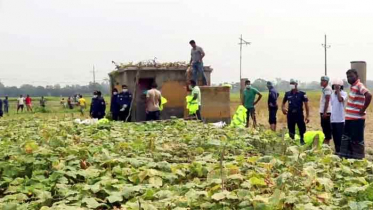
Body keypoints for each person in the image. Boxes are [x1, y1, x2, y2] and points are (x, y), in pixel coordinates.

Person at [339, 69, 372, 159]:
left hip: (357, 119)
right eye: (348, 77)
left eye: (351, 76)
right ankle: (348, 159)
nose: (349, 78)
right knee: (347, 139)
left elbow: (369, 95)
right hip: (350, 118)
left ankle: (358, 160)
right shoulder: (353, 86)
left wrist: (363, 109)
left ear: (357, 76)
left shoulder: (359, 85)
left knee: (356, 140)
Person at [282, 79, 310, 145]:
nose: (292, 85)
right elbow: (283, 103)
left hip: (299, 114)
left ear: (296, 84)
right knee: (291, 129)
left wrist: (307, 116)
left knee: (302, 128)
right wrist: (283, 108)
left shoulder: (302, 94)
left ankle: (303, 142)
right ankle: (292, 143)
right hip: (290, 114)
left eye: (293, 84)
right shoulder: (287, 93)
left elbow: (306, 105)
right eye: (290, 84)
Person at [330, 78, 348, 154]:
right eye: (335, 86)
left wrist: (338, 91)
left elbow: (340, 99)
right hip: (332, 119)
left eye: (338, 86)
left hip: (340, 119)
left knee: (340, 136)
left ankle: (341, 151)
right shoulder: (331, 94)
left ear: (341, 86)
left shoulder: (344, 93)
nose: (336, 87)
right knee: (334, 137)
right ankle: (337, 150)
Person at [319, 76, 332, 145]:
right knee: (323, 125)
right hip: (323, 110)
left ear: (327, 82)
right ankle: (326, 139)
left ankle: (327, 140)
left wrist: (325, 112)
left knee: (326, 126)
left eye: (323, 81)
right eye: (321, 80)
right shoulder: (324, 89)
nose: (321, 82)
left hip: (326, 111)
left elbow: (327, 100)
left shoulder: (327, 89)